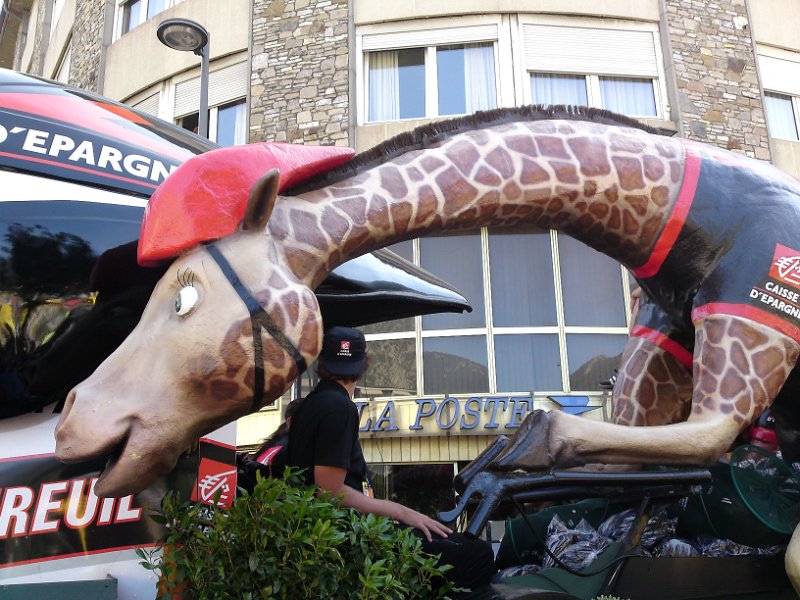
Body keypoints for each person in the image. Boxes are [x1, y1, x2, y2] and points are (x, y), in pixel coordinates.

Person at [286, 326, 496, 589]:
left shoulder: (312, 403)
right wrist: (402, 512)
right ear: (364, 365)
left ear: (322, 362)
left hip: (330, 531)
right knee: (477, 555)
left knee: (454, 543)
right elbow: (329, 492)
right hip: (346, 536)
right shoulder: (339, 407)